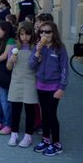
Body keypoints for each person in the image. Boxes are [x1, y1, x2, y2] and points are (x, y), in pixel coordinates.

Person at [30, 22, 69, 156]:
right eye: (41, 32)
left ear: (54, 33)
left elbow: (64, 68)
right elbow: (31, 66)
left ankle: (57, 143)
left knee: (52, 114)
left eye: (48, 32)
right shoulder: (37, 47)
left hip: (54, 87)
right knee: (44, 114)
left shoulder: (59, 48)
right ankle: (46, 140)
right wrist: (37, 52)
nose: (44, 34)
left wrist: (62, 88)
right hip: (41, 86)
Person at [6, 22, 38, 147]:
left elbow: (37, 67)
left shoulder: (35, 48)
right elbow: (9, 68)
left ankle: (28, 135)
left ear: (32, 35)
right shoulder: (14, 47)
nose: (25, 37)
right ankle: (14, 134)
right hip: (16, 81)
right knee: (15, 110)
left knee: (30, 110)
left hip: (30, 81)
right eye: (22, 34)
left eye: (28, 34)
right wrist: (10, 60)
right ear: (18, 35)